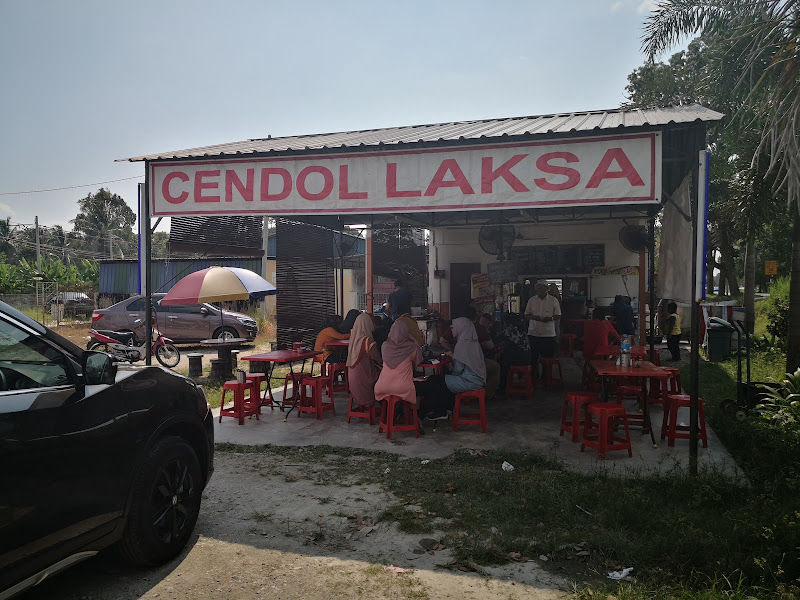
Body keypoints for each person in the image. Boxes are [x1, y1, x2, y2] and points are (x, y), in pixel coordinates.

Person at [374, 320, 423, 409]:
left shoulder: (384, 346)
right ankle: (415, 413)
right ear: (406, 332)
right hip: (403, 387)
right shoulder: (411, 347)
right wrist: (413, 339)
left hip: (382, 386)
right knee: (424, 386)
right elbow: (419, 360)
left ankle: (394, 412)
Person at [524, 280, 561, 374]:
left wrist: (550, 318)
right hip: (533, 333)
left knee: (547, 360)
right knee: (533, 359)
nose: (540, 289)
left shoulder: (553, 300)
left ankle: (546, 379)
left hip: (548, 334)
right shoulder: (531, 300)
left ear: (547, 289)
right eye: (539, 287)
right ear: (536, 289)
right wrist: (534, 317)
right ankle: (534, 378)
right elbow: (526, 315)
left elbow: (558, 315)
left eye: (543, 287)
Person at [346, 312, 382, 410]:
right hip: (365, 382)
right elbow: (378, 360)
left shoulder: (353, 339)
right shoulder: (367, 341)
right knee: (387, 376)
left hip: (353, 384)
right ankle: (389, 408)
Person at [445, 317, 487, 395]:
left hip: (469, 382)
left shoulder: (461, 344)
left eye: (453, 327)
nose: (451, 329)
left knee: (438, 381)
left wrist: (450, 375)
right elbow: (467, 359)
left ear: (460, 328)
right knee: (439, 380)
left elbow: (458, 370)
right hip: (479, 380)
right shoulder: (474, 342)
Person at [498, 313, 532, 389]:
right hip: (527, 357)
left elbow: (500, 339)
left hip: (520, 359)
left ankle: (502, 388)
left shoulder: (511, 329)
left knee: (502, 362)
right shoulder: (521, 327)